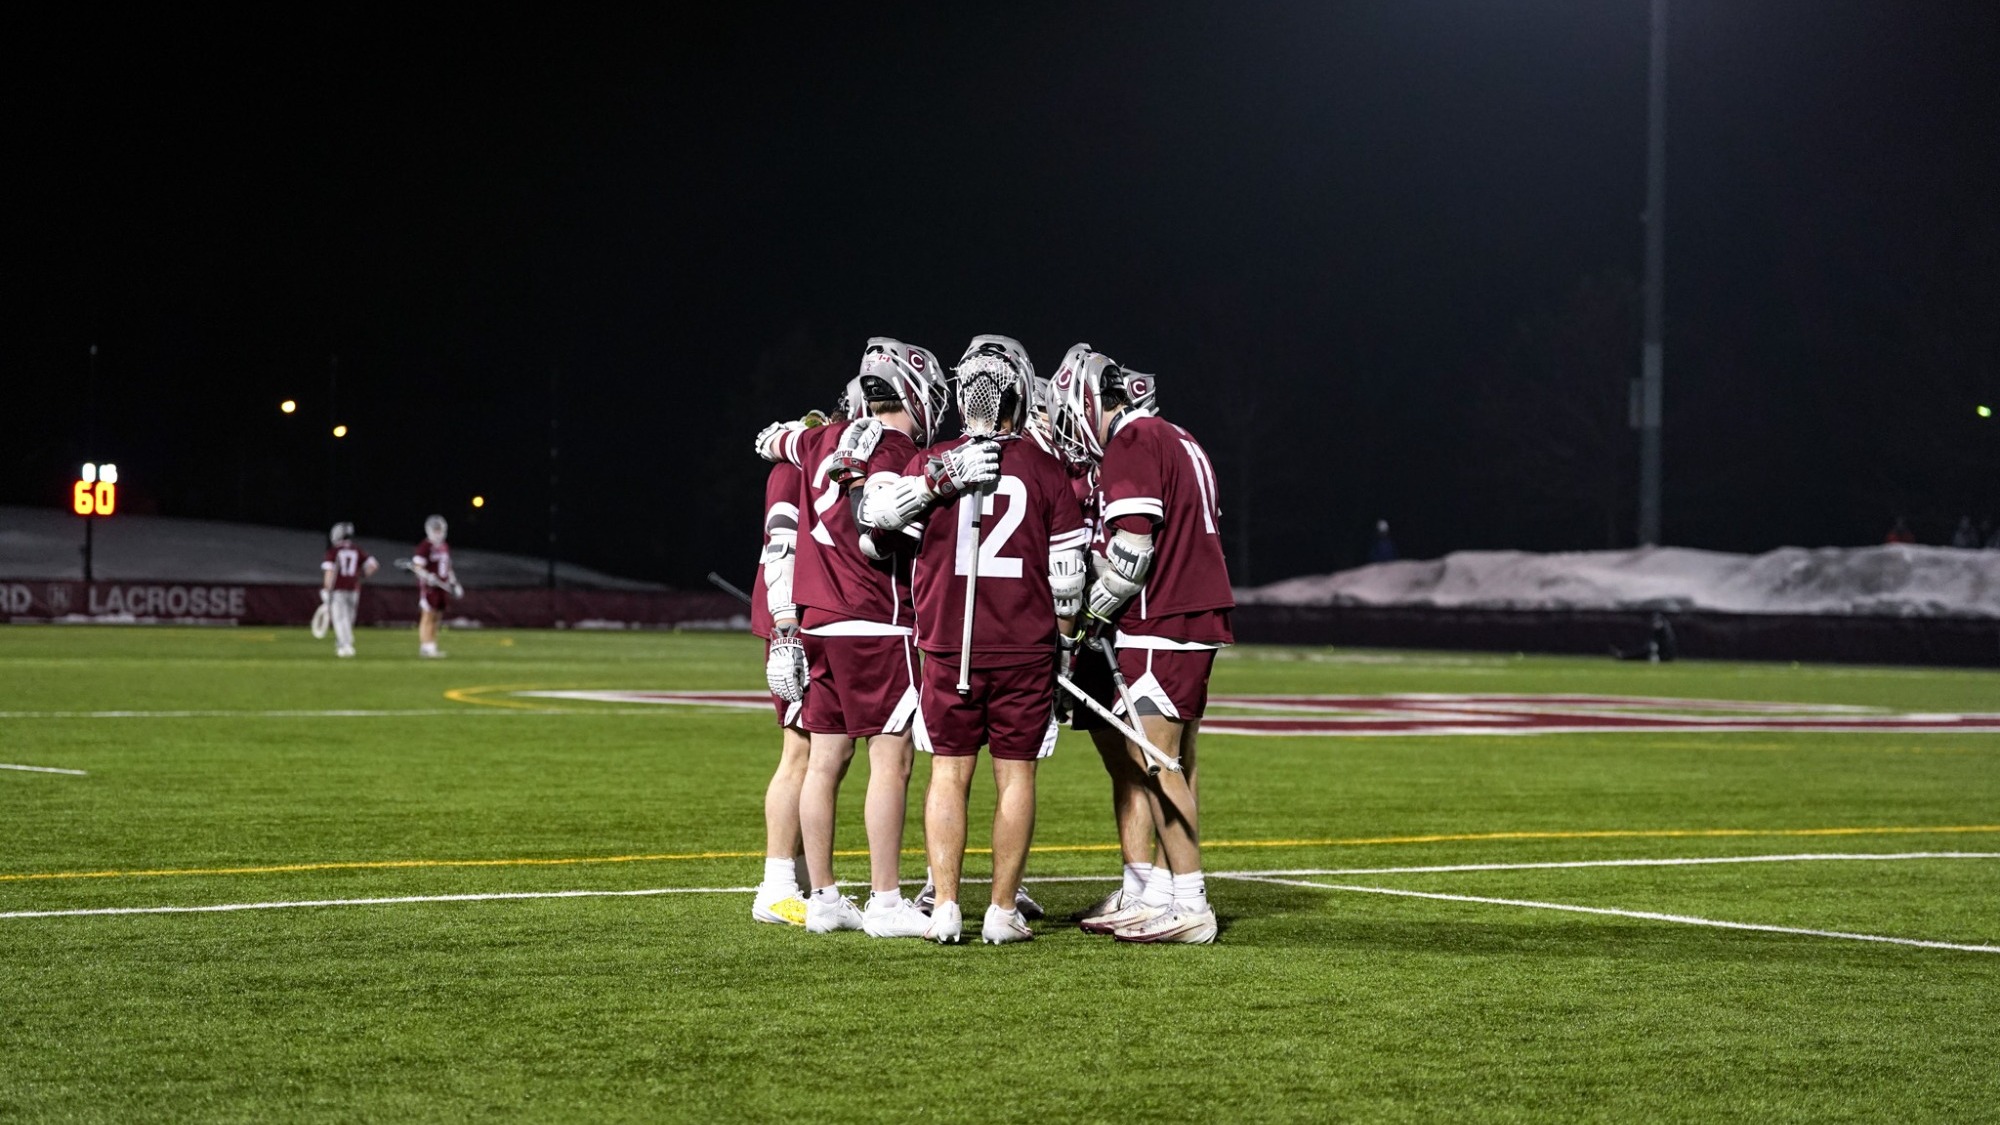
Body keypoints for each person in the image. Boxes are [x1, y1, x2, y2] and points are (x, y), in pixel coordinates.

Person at [861, 334, 1086, 944]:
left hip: (945, 643)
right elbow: (1067, 582)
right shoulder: (1044, 469)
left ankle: (946, 908)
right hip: (1023, 647)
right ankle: (1001, 909)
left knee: (948, 775)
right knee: (1015, 778)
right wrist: (1064, 649)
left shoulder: (927, 462)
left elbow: (873, 528)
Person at [754, 339, 947, 937]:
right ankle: (887, 901)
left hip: (817, 621)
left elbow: (770, 440)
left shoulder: (817, 441)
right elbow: (877, 522)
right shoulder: (895, 447)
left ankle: (825, 898)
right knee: (891, 762)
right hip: (876, 616)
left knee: (823, 760)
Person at [1051, 345, 1233, 944]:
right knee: (1169, 758)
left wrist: (1081, 625)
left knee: (1158, 762)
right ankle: (1158, 888)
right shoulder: (1181, 437)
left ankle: (1188, 900)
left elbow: (1131, 556)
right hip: (1192, 613)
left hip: (1162, 617)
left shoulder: (1134, 441)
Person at [1047, 345, 1162, 928]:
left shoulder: (1124, 452)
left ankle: (1148, 886)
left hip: (1106, 624)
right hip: (1067, 623)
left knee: (1135, 761)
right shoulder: (1060, 462)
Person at [747, 403, 836, 927]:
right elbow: (782, 544)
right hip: (795, 624)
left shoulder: (806, 464)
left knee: (814, 752)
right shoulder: (792, 469)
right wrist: (787, 630)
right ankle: (776, 885)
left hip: (807, 618)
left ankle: (795, 879)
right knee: (799, 751)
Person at [320, 522, 379, 658]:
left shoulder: (334, 551)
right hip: (353, 588)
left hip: (338, 589)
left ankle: (345, 645)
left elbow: (329, 572)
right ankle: (345, 642)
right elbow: (374, 565)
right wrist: (361, 576)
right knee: (348, 619)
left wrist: (326, 589)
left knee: (340, 619)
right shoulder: (356, 549)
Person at [410, 515, 460, 658]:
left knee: (437, 616)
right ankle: (425, 646)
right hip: (429, 586)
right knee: (428, 615)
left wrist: (454, 582)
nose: (438, 533)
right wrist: (427, 576)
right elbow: (417, 567)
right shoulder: (425, 546)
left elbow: (448, 567)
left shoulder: (444, 546)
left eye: (440, 530)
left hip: (442, 585)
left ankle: (432, 645)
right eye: (436, 530)